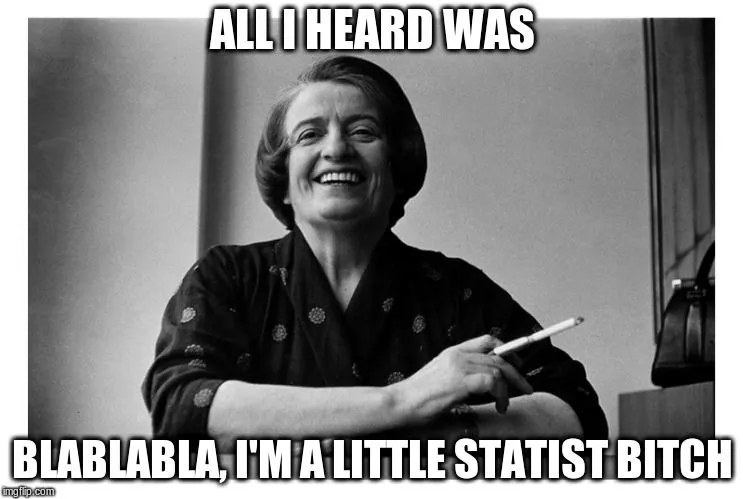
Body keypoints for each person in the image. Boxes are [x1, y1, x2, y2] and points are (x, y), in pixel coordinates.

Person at [142, 56, 608, 448]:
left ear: (397, 167)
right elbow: (182, 407)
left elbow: (579, 411)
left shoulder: (456, 289)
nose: (336, 148)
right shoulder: (227, 276)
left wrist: (440, 429)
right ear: (282, 178)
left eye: (362, 132)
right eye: (309, 135)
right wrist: (406, 400)